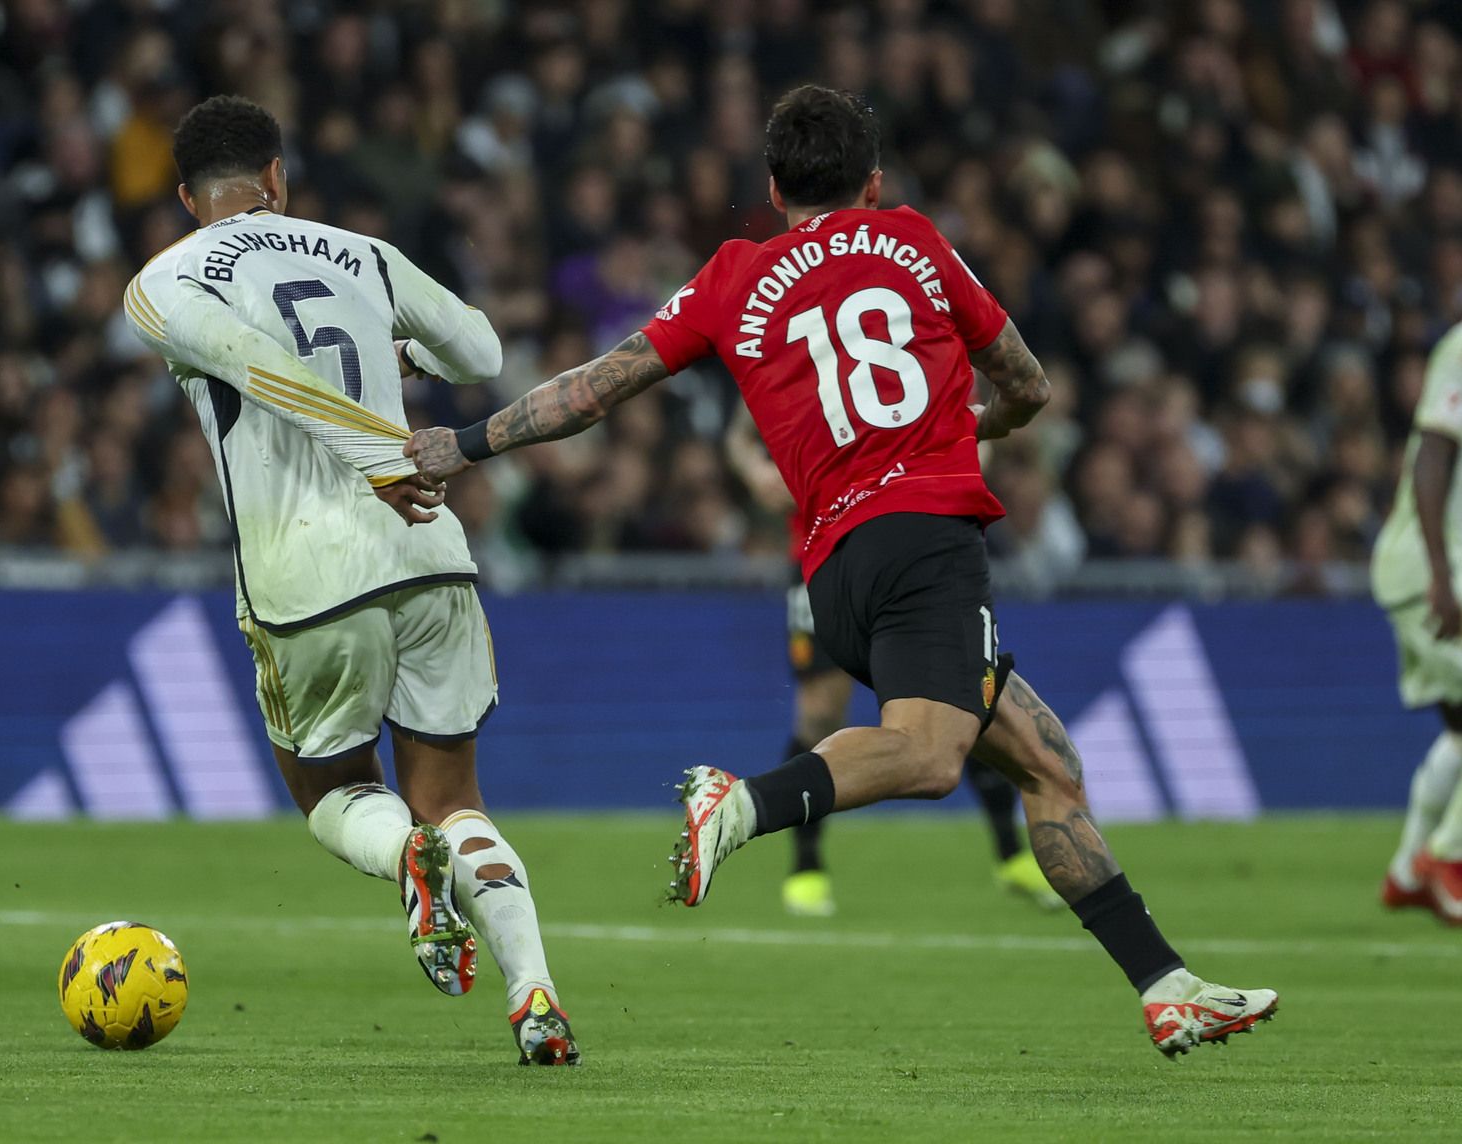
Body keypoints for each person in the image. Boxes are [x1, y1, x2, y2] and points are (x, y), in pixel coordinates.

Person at [406, 85, 1277, 1057]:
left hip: (836, 566)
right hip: (927, 540)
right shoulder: (914, 240)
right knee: (929, 754)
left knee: (1047, 764)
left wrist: (463, 443)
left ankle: (1166, 984)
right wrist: (971, 426)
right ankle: (739, 802)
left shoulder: (733, 275)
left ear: (774, 187)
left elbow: (593, 390)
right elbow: (1028, 383)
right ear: (873, 181)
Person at [124, 95, 577, 1065]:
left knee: (333, 793)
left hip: (305, 570)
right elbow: (484, 352)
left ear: (184, 198)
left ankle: (403, 857)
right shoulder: (359, 252)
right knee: (456, 800)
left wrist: (370, 453)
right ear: (279, 178)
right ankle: (533, 990)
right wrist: (396, 367)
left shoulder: (163, 279)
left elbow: (251, 361)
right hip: (428, 551)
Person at [724, 407, 1061, 916]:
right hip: (822, 558)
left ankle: (1011, 854)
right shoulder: (789, 344)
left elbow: (974, 426)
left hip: (910, 552)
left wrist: (965, 454)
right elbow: (741, 431)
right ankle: (807, 866)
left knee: (953, 701)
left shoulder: (907, 341)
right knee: (819, 712)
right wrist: (755, 469)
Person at [1371, 320, 1462, 924]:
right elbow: (1434, 451)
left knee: (1459, 731)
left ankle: (1408, 871)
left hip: (1445, 569)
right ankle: (1446, 857)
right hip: (1437, 569)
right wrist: (1440, 570)